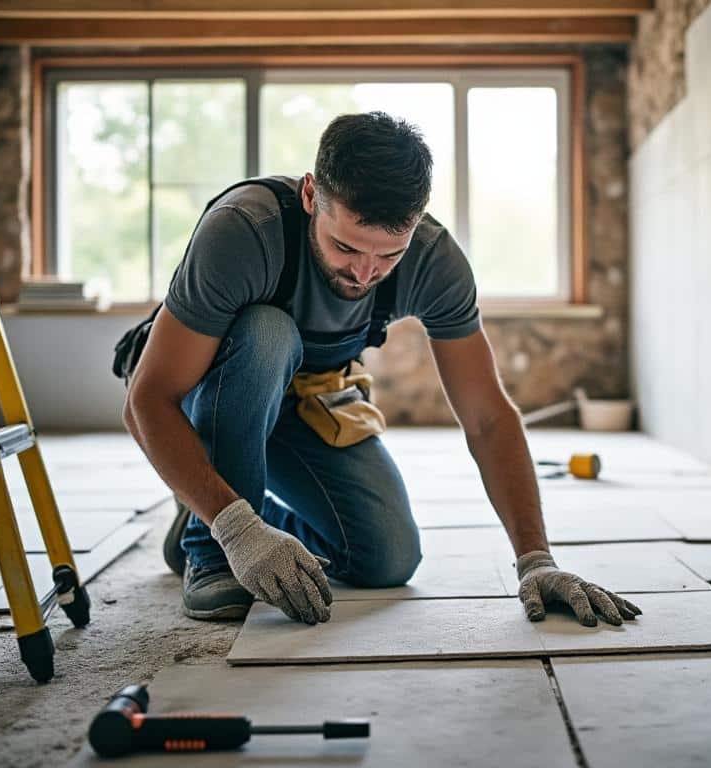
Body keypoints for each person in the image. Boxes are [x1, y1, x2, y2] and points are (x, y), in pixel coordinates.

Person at [122, 111, 641, 628]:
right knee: (267, 333)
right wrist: (237, 534)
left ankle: (210, 505)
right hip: (207, 387)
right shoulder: (245, 231)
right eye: (345, 246)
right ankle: (213, 549)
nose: (365, 273)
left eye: (389, 255)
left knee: (387, 557)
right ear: (310, 196)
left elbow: (488, 417)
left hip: (305, 395)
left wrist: (536, 560)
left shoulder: (434, 261)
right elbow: (147, 399)